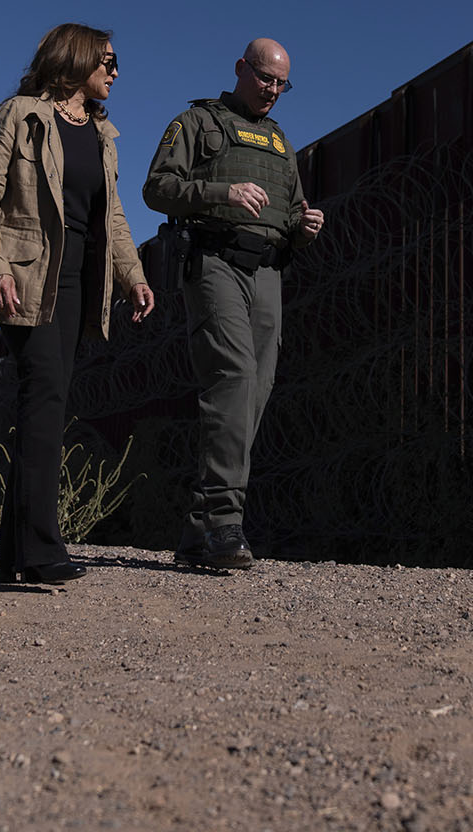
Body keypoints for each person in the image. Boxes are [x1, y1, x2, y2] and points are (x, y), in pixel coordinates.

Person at [0, 23, 155, 584]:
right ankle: (42, 550)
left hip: (78, 283)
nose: (115, 72)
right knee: (43, 399)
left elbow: (112, 218)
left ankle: (12, 556)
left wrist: (132, 275)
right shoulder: (20, 115)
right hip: (26, 276)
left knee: (48, 405)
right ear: (78, 59)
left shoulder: (101, 133)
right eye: (108, 61)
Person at [142, 38, 324, 568]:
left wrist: (305, 228)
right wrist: (223, 194)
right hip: (215, 260)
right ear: (242, 68)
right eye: (265, 78)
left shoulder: (279, 142)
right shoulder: (199, 123)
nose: (272, 90)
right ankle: (225, 523)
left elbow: (290, 213)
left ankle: (198, 532)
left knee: (255, 393)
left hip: (268, 270)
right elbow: (157, 187)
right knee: (235, 379)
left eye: (281, 83)